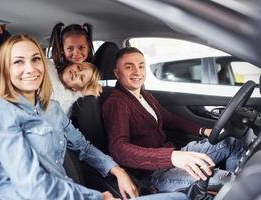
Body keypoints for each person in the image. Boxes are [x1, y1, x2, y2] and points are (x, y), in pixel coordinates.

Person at [0, 34, 189, 200]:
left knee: (179, 197)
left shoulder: (51, 108)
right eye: (18, 62)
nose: (31, 69)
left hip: (68, 192)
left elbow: (83, 146)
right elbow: (31, 184)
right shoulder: (0, 110)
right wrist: (96, 197)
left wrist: (118, 171)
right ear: (4, 70)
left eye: (36, 59)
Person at [102, 47, 244, 193]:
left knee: (231, 140)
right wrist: (171, 157)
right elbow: (118, 149)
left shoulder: (145, 96)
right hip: (154, 174)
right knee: (229, 181)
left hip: (173, 156)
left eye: (141, 65)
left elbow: (170, 119)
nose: (137, 72)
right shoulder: (116, 103)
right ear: (117, 73)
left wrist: (204, 130)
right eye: (129, 67)